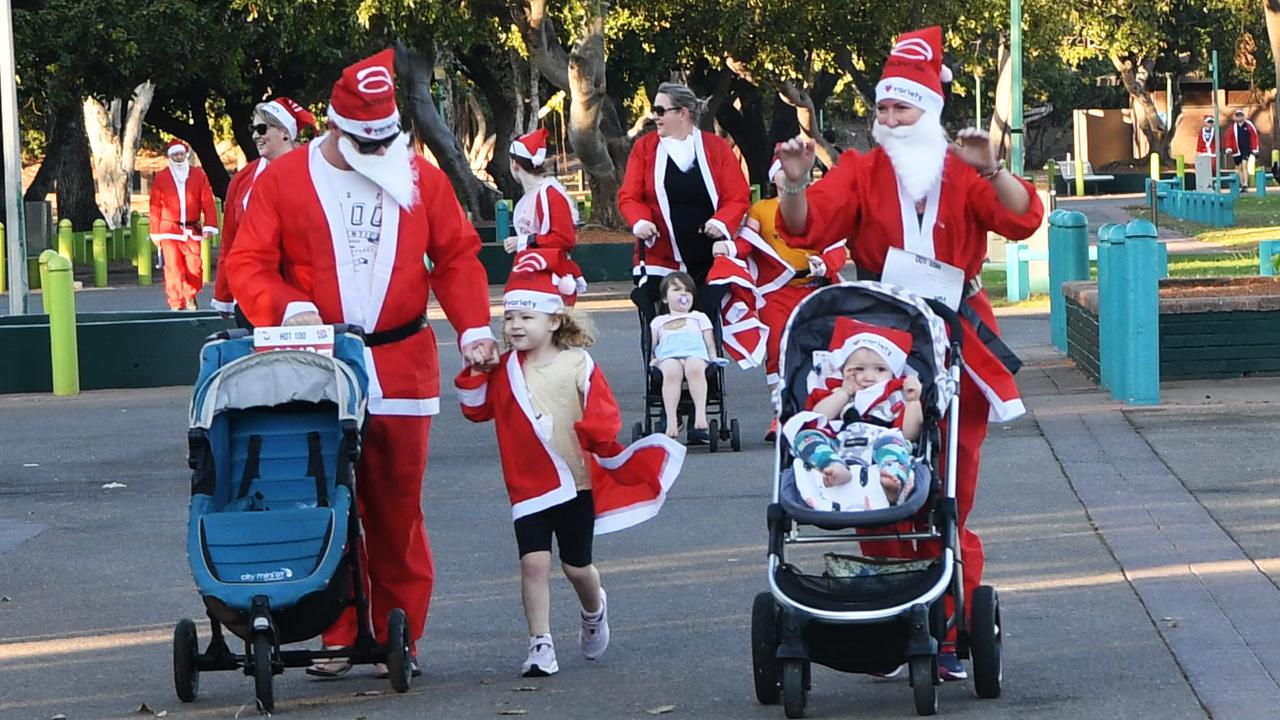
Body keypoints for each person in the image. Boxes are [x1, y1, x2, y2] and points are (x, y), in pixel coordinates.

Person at [774, 26, 1044, 681]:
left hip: (958, 341)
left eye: (902, 107)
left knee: (950, 489)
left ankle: (948, 625)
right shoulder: (863, 171)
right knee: (876, 480)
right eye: (883, 108)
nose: (889, 119)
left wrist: (996, 170)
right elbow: (804, 225)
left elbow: (1021, 219)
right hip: (882, 343)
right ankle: (890, 620)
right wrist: (793, 180)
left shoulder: (962, 172)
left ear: (930, 111)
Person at [225, 48, 500, 678]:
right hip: (316, 369)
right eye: (368, 144)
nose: (383, 157)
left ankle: (400, 634)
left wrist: (474, 329)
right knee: (323, 499)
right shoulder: (285, 181)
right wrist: (287, 308)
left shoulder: (422, 178)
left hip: (402, 365)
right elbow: (247, 264)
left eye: (389, 142)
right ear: (334, 128)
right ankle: (336, 631)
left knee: (396, 510)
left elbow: (456, 258)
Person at [455, 249, 684, 677]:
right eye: (509, 318)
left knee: (576, 567)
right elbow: (475, 408)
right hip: (527, 484)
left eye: (526, 317)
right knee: (534, 564)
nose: (515, 326)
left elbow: (604, 410)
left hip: (577, 482)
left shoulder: (578, 362)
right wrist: (473, 371)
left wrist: (599, 436)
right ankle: (540, 643)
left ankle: (594, 609)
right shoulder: (505, 369)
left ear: (554, 321)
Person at [715, 156, 848, 441]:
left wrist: (825, 264)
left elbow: (836, 247)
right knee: (776, 352)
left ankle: (818, 414)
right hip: (775, 293)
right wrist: (728, 247)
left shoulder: (819, 205)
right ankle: (780, 416)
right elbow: (746, 244)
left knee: (822, 353)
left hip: (815, 290)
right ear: (774, 177)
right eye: (783, 172)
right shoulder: (761, 209)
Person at [618, 82, 750, 304]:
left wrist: (720, 222)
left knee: (710, 309)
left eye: (660, 111)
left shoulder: (717, 148)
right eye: (654, 110)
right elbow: (629, 196)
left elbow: (737, 196)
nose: (654, 117)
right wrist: (641, 221)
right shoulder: (644, 148)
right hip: (662, 255)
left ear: (683, 114)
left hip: (710, 256)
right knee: (659, 313)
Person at [783, 318, 923, 510]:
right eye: (858, 369)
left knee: (894, 445)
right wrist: (844, 393)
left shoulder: (896, 396)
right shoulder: (837, 392)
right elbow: (816, 415)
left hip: (881, 442)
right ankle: (832, 465)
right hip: (839, 444)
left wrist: (914, 401)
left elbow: (910, 434)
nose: (868, 377)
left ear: (894, 373)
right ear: (843, 371)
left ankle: (891, 479)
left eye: (880, 369)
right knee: (805, 436)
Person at [211, 97, 317, 319]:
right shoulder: (242, 180)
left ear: (285, 132)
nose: (255, 136)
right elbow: (231, 240)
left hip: (304, 298)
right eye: (253, 129)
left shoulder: (313, 172)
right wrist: (224, 295)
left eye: (262, 128)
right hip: (254, 297)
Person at [649, 271, 722, 444]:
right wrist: (652, 358)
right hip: (668, 355)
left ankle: (699, 414)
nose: (683, 294)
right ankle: (672, 419)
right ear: (665, 299)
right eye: (676, 290)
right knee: (671, 374)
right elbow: (652, 344)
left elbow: (709, 340)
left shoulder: (698, 317)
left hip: (695, 353)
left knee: (695, 369)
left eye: (687, 291)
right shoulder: (659, 321)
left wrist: (713, 355)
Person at [149, 139, 220, 311]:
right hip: (169, 230)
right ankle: (176, 302)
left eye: (181, 154)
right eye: (175, 155)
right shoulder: (162, 177)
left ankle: (190, 294)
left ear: (186, 155)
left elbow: (207, 202)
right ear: (170, 157)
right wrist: (155, 232)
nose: (178, 157)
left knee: (194, 267)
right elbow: (155, 205)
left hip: (191, 230)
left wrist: (210, 225)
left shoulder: (198, 175)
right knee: (173, 267)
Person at [503, 127, 579, 254]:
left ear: (514, 163)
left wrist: (524, 241)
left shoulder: (550, 195)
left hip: (550, 272)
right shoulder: (529, 198)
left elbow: (565, 239)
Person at [1225, 108, 1260, 188]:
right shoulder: (1232, 127)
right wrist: (1229, 147)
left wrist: (1255, 149)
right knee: (1240, 167)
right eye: (1237, 115)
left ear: (1243, 116)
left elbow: (1254, 136)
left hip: (1246, 149)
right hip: (1237, 150)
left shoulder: (1248, 125)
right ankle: (1242, 183)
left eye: (1241, 115)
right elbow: (1229, 138)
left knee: (1244, 165)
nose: (1239, 117)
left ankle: (1246, 183)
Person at [1194, 115, 1217, 191]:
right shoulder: (1202, 132)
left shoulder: (1216, 131)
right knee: (1204, 171)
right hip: (1204, 154)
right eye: (1208, 122)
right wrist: (1198, 154)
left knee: (1213, 170)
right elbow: (1199, 144)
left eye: (1211, 122)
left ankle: (1213, 184)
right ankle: (1206, 185)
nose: (1210, 124)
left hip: (1213, 154)